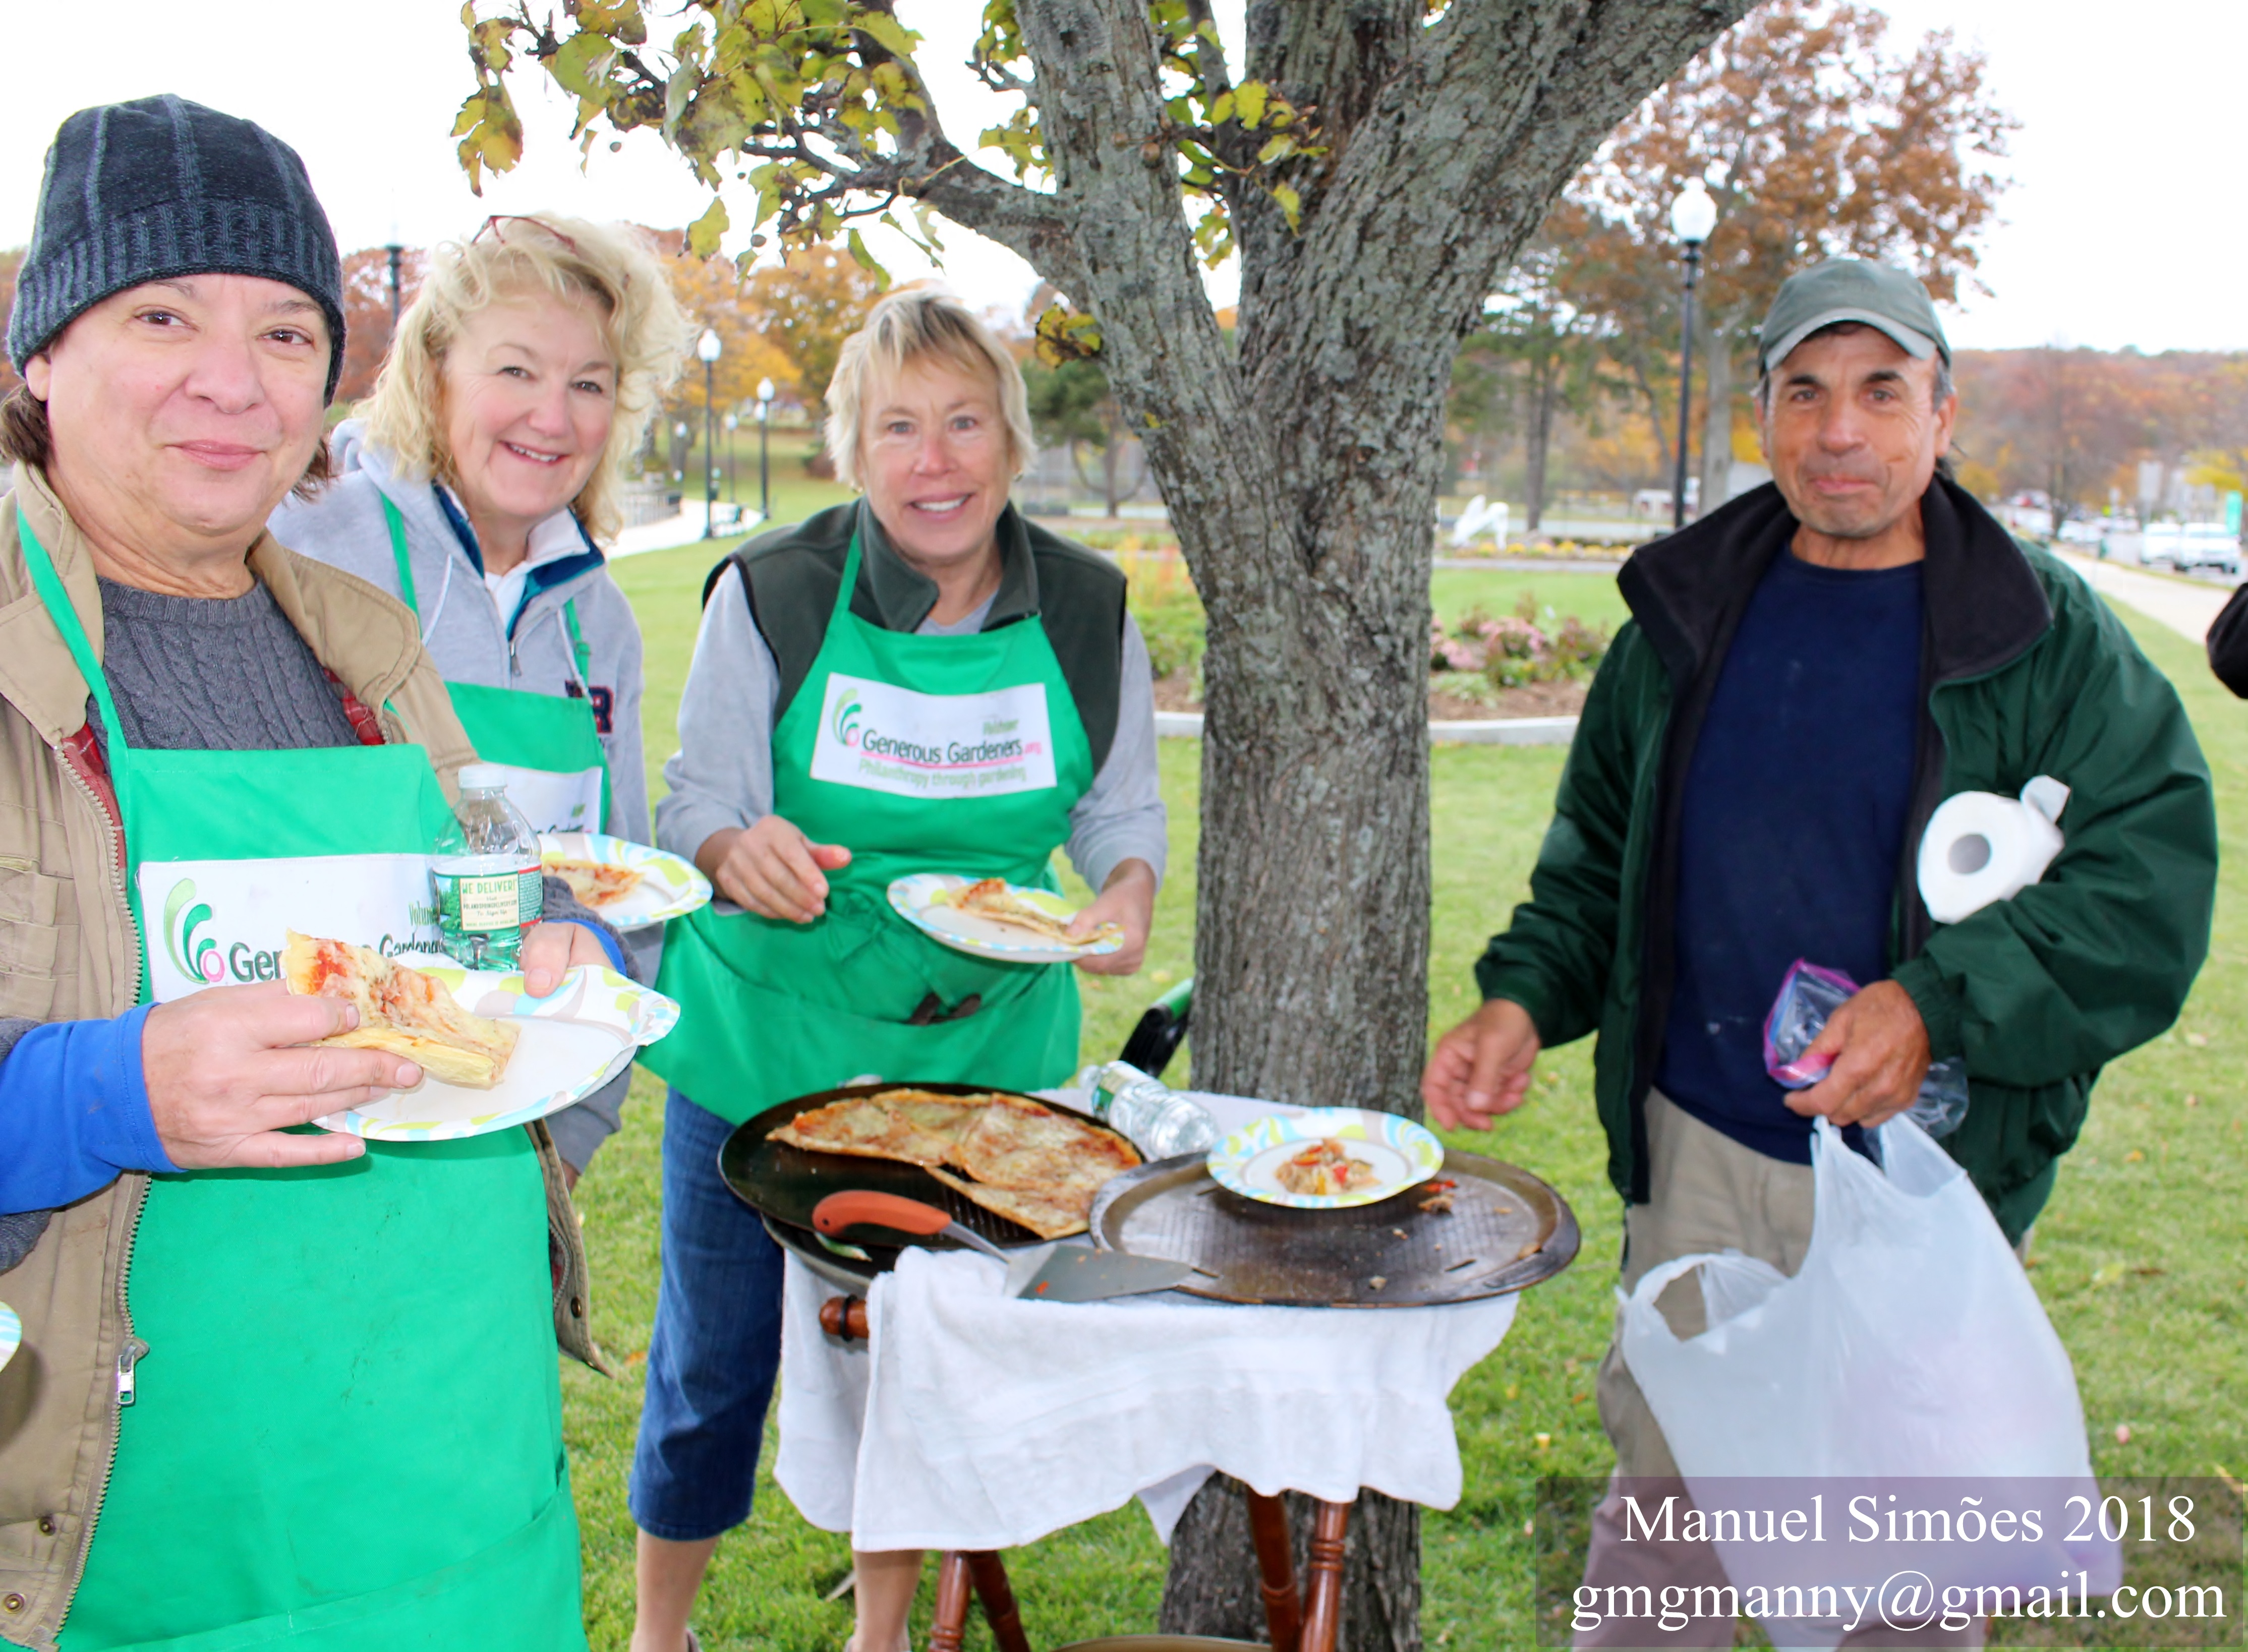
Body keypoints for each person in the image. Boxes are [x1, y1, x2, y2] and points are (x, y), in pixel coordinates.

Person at [1421, 259, 2217, 1647]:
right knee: (1662, 1541)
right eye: (1806, 391)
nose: (1840, 429)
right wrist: (1522, 997)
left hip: (1923, 1186)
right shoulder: (1684, 616)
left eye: (1881, 391)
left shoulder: (2047, 638)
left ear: (1942, 415)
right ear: (1766, 415)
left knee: (1901, 1583)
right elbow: (1599, 852)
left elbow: (2146, 894)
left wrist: (1939, 1001)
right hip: (1703, 1160)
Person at [0, 96, 629, 1649]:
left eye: (286, 333)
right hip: (136, 1562)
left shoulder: (372, 647)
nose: (233, 380)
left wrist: (550, 936)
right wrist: (98, 1093)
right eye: (162, 315)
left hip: (468, 1507)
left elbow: (490, 885)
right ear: (41, 355)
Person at [630, 286, 1168, 1652]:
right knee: (711, 1368)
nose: (936, 461)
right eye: (898, 428)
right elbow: (696, 800)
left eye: (965, 423)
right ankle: (657, 1634)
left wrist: (1124, 889)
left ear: (1012, 441)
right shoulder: (774, 592)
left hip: (977, 1070)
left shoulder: (1088, 607)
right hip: (763, 1043)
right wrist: (734, 848)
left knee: (915, 1367)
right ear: (852, 452)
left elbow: (1120, 812)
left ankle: (882, 1637)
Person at [272, 212, 685, 1179]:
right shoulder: (306, 546)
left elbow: (622, 891)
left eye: (589, 384)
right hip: (324, 1126)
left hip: (528, 1127)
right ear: (435, 374)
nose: (553, 417)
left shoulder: (601, 621)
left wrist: (575, 1131)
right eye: (516, 370)